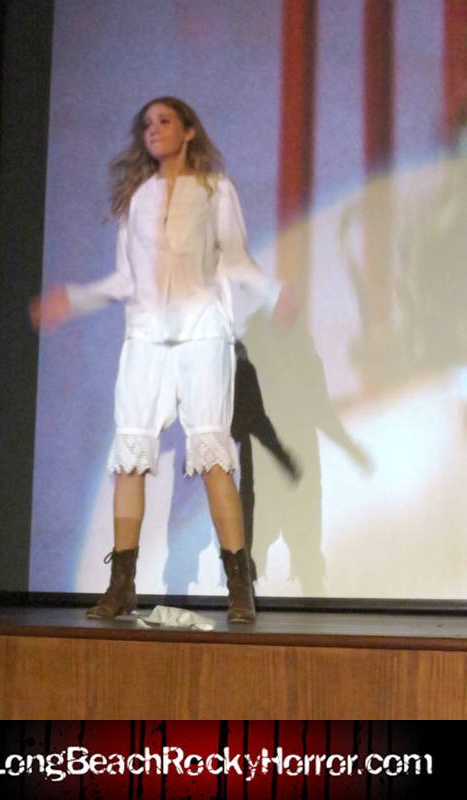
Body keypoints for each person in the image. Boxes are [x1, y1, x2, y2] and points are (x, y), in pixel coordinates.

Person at [30, 96, 296, 623]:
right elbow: (125, 280)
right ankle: (121, 586)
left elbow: (236, 260)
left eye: (164, 121)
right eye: (147, 124)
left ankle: (239, 588)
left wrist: (274, 293)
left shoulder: (215, 189)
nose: (153, 130)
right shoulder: (139, 198)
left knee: (213, 455)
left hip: (202, 333)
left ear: (188, 131)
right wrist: (73, 300)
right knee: (130, 456)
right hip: (146, 336)